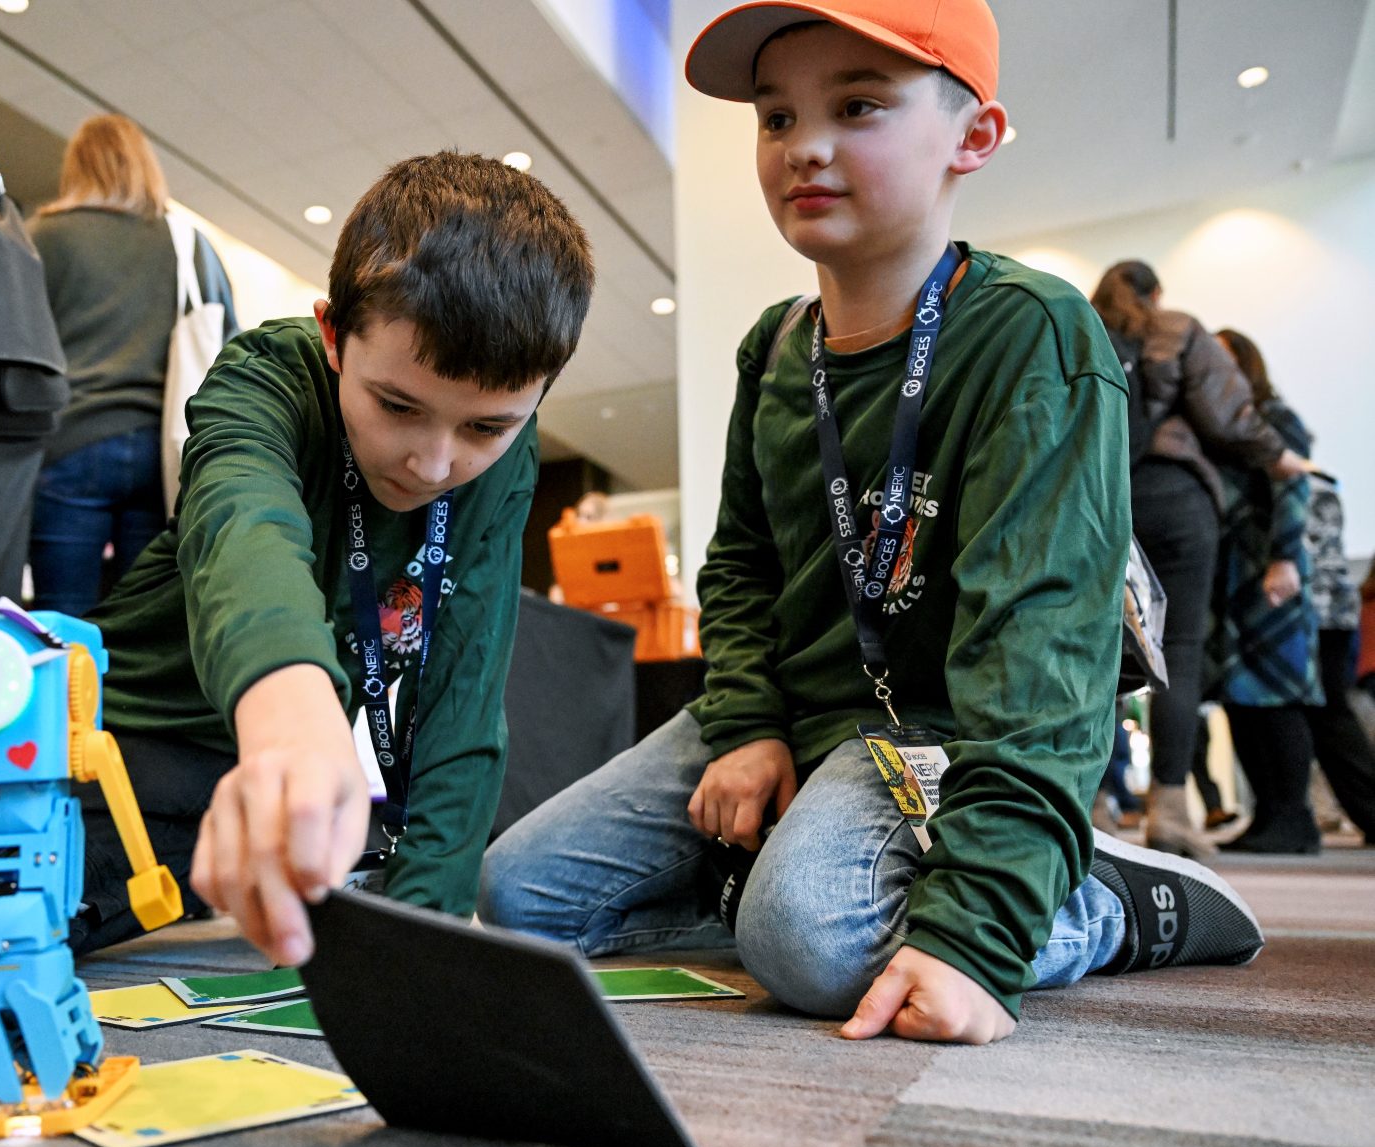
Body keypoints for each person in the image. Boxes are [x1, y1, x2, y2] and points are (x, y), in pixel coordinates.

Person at [479, 0, 1267, 1046]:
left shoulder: (1029, 335)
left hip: (933, 729)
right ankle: (797, 885)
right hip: (798, 716)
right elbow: (743, 568)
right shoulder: (772, 352)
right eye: (774, 118)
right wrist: (750, 723)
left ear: (971, 137)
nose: (804, 145)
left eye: (858, 106)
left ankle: (1098, 897)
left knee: (807, 944)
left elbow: (1039, 653)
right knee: (522, 898)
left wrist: (976, 938)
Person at [63, 152, 594, 963]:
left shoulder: (504, 468)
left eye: (487, 427)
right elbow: (245, 534)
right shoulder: (266, 380)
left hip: (266, 778)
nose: (434, 463)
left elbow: (465, 690)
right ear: (334, 337)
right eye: (397, 406)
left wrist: (428, 935)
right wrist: (291, 718)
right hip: (116, 733)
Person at [1089, 262, 1313, 860]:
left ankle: (1093, 806)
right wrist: (1281, 457)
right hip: (1177, 499)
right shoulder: (1177, 327)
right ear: (1155, 291)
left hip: (1100, 501)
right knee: (1177, 652)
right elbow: (1228, 414)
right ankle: (1171, 814)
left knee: (1095, 654)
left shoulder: (1080, 329)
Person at [27, 114, 240, 616]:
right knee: (138, 618)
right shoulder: (187, 243)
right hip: (160, 453)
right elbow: (231, 344)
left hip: (68, 444)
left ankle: (69, 696)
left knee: (61, 621)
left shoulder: (42, 235)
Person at [1213, 329, 1375, 849]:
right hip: (1251, 581)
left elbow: (1291, 486)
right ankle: (1275, 817)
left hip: (1291, 587)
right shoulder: (1228, 429)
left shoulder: (1274, 421)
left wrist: (1283, 557)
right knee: (1254, 699)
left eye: (1222, 358)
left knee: (1296, 701)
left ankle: (1296, 818)